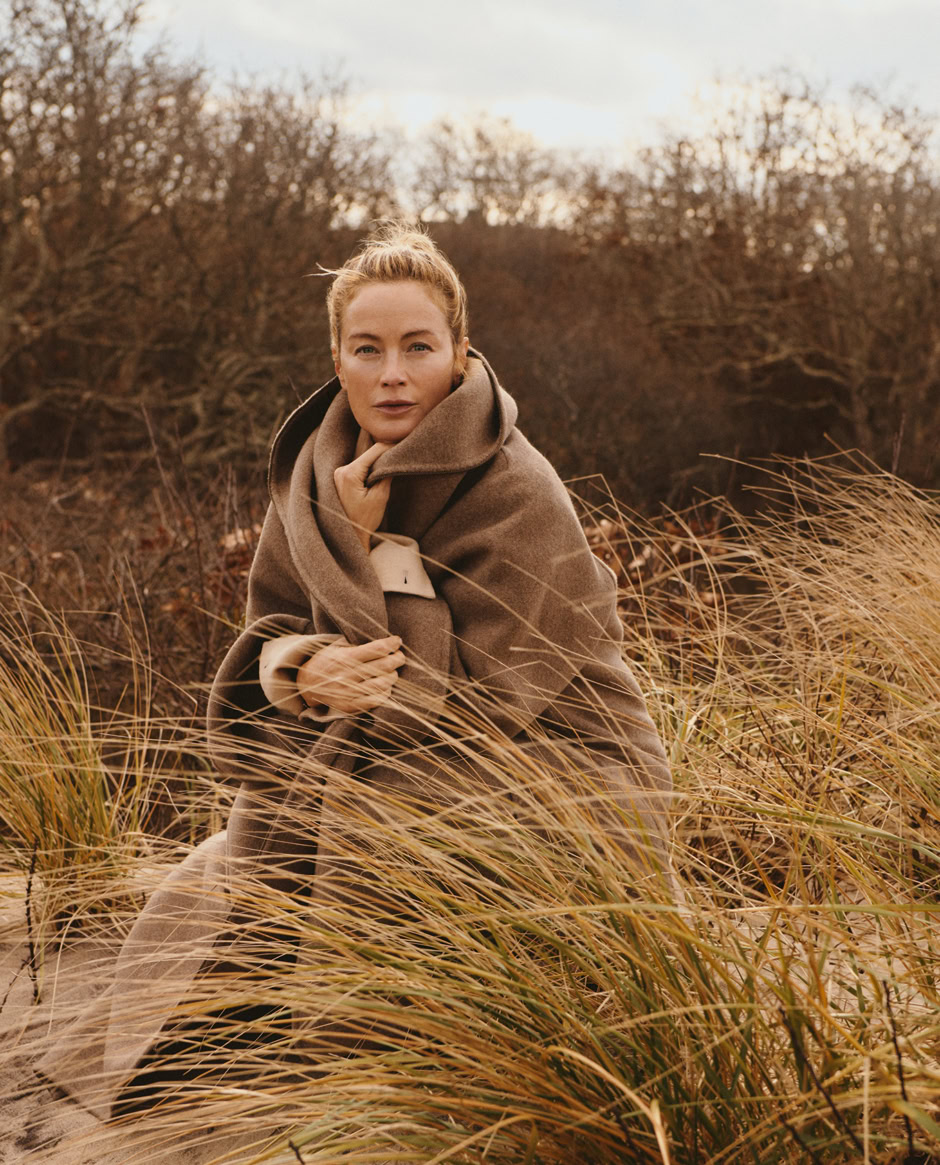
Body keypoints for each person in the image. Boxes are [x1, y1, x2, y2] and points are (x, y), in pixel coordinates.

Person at [39, 221, 674, 1120]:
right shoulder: (313, 476)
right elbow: (274, 630)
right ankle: (202, 1066)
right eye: (367, 349)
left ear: (459, 354)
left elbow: (475, 703)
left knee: (378, 820)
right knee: (254, 835)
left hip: (561, 760)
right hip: (388, 737)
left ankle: (374, 1079)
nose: (393, 374)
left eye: (418, 347)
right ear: (335, 358)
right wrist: (301, 670)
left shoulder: (519, 490)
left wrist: (376, 550)